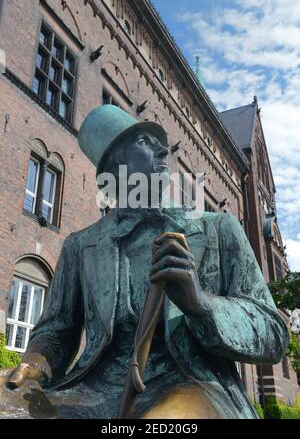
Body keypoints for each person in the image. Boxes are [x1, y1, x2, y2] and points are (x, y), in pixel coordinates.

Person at [0, 105, 288, 419]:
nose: (163, 151)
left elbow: (273, 334)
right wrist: (34, 365)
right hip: (93, 391)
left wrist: (200, 305)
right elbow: (58, 330)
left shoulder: (219, 230)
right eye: (144, 143)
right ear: (116, 165)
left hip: (188, 387)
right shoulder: (80, 246)